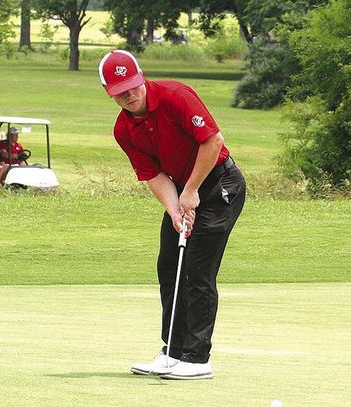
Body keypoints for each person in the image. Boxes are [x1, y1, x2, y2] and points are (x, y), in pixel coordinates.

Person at [98, 50, 246, 380]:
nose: (129, 94)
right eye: (120, 90)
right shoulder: (124, 129)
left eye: (133, 85)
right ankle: (172, 352)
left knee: (197, 269)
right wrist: (175, 209)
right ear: (109, 91)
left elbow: (212, 141)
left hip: (219, 184)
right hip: (181, 189)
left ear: (141, 77)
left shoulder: (176, 96)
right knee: (170, 266)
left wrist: (191, 191)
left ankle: (197, 359)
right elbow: (153, 175)